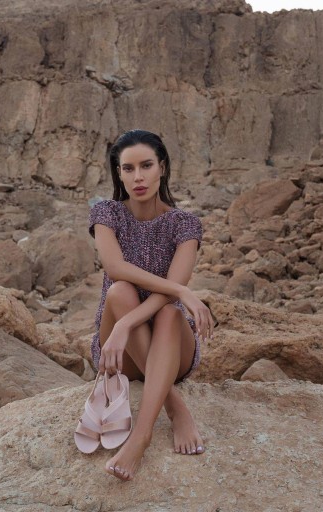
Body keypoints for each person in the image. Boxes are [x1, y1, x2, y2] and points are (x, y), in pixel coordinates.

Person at [88, 129, 215, 481]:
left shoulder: (184, 224)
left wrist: (127, 323)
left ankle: (141, 437)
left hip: (170, 347)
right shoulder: (107, 213)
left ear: (163, 167)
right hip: (120, 351)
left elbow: (169, 297)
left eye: (146, 166)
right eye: (128, 169)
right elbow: (115, 268)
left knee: (170, 313)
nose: (138, 177)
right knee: (119, 292)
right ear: (119, 173)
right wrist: (181, 291)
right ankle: (175, 407)